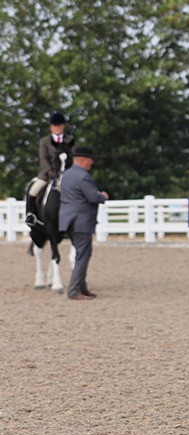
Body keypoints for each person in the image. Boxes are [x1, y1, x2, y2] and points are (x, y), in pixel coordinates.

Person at [57, 145, 108, 300]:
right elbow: (93, 197)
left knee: (82, 253)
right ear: (85, 160)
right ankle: (74, 290)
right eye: (90, 161)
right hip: (81, 221)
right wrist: (103, 196)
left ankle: (82, 287)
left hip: (68, 220)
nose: (91, 164)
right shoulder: (84, 176)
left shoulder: (66, 175)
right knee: (83, 255)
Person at [26, 111, 75, 224]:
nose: (57, 127)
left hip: (66, 174)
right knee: (33, 190)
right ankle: (31, 214)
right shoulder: (45, 141)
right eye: (55, 125)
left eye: (59, 125)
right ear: (51, 126)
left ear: (63, 126)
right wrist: (51, 173)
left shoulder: (70, 140)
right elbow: (43, 158)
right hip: (48, 174)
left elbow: (73, 157)